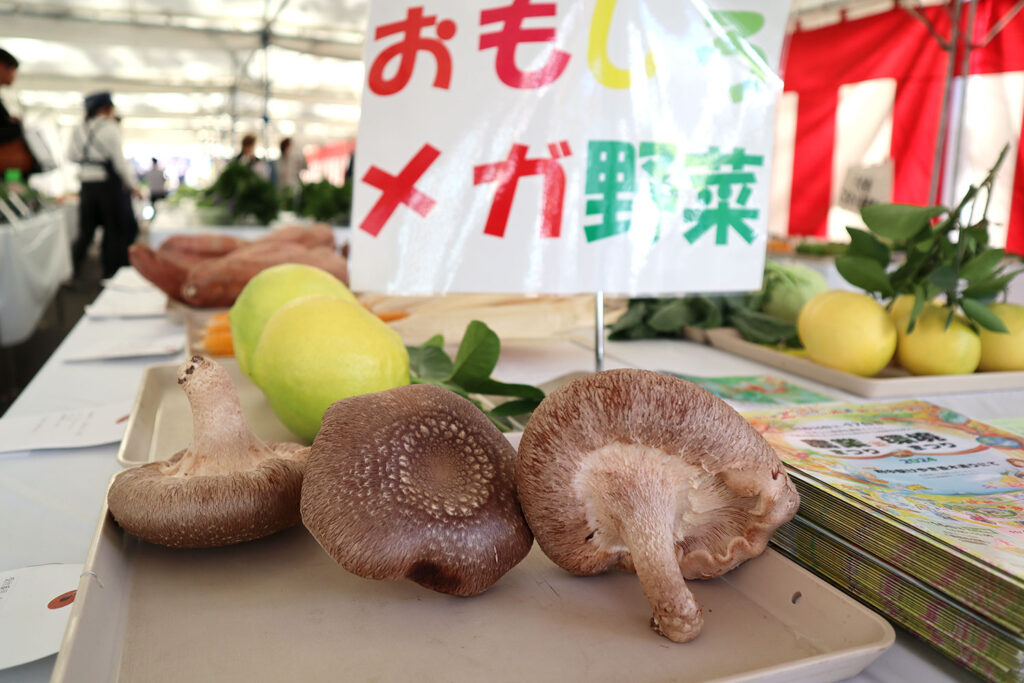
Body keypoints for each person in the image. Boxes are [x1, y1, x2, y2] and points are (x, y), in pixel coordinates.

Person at [67, 92, 140, 279]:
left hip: (86, 185)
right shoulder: (110, 127)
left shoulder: (78, 128)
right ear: (105, 108)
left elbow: (71, 156)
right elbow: (119, 162)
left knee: (86, 232)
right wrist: (132, 186)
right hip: (107, 186)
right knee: (113, 230)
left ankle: (71, 271)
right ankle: (110, 273)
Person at [0, 47, 36, 176]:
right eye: (12, 71)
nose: (13, 77)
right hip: (6, 163)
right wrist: (15, 126)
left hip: (9, 165)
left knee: (13, 187)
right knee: (11, 186)